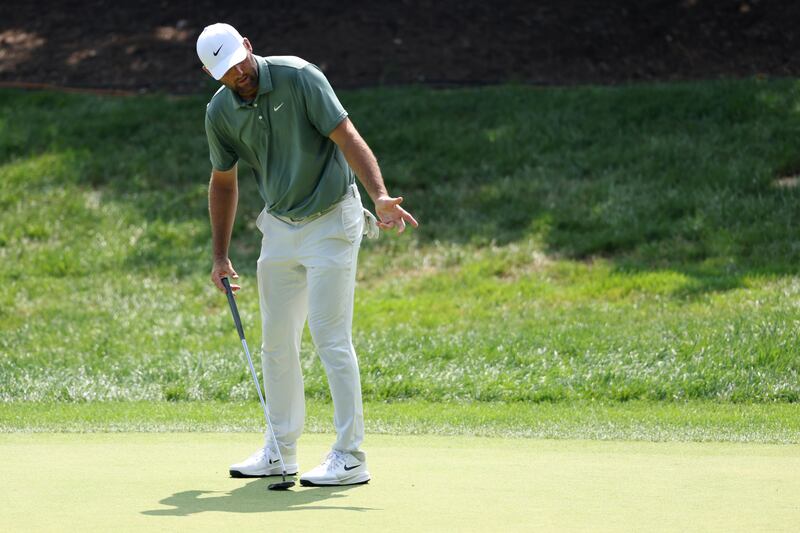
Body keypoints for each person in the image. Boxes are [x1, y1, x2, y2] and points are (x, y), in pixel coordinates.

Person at [196, 23, 418, 486]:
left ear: (249, 47)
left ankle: (351, 456)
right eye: (224, 70)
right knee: (276, 341)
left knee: (329, 336)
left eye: (238, 60)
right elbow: (223, 182)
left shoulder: (300, 77)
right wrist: (219, 256)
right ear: (209, 73)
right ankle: (280, 449)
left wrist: (378, 196)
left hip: (332, 220)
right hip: (279, 227)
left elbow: (347, 136)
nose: (237, 73)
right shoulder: (220, 111)